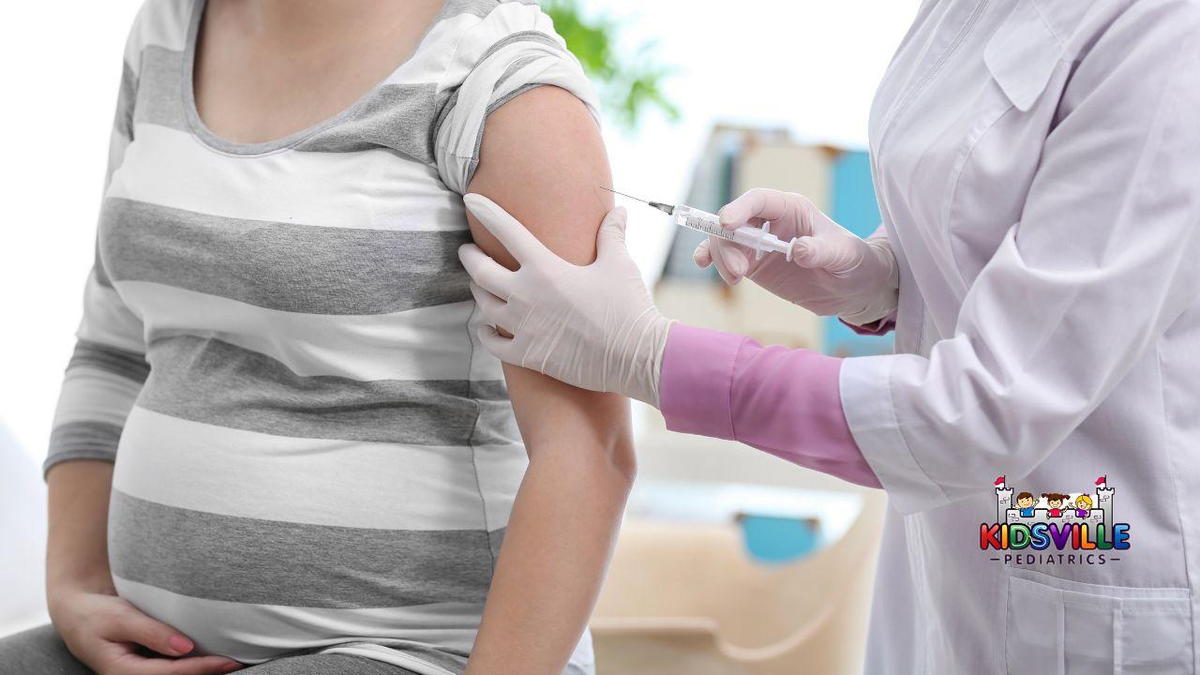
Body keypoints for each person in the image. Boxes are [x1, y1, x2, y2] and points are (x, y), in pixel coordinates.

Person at [456, 1, 1200, 672]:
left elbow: (982, 407)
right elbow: (1005, 219)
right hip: (979, 541)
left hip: (1102, 540)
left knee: (1070, 536)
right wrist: (880, 275)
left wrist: (651, 355)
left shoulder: (1166, 40)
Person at [0, 0, 627, 673]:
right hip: (153, 638)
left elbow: (590, 452)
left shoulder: (501, 79)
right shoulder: (168, 29)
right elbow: (112, 340)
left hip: (422, 651)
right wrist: (74, 585)